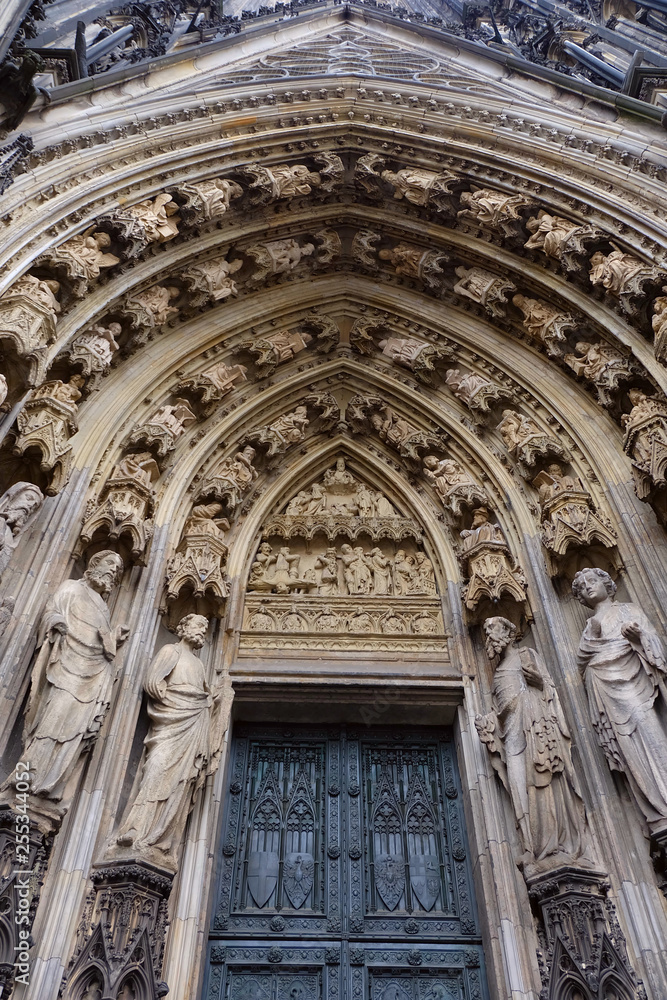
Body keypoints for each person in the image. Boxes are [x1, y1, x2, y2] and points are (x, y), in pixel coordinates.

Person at [573, 567, 667, 832]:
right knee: (630, 751)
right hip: (605, 691)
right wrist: (592, 637)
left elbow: (655, 645)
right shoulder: (589, 628)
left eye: (592, 581)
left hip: (635, 685)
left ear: (607, 584)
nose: (588, 587)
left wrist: (639, 638)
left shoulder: (629, 611)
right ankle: (657, 811)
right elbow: (582, 660)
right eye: (582, 587)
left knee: (651, 733)